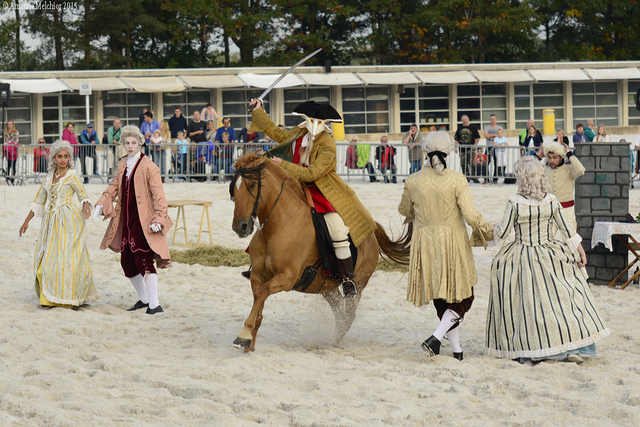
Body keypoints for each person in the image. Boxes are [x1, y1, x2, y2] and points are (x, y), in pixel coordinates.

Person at [485, 157, 610, 365]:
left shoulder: (515, 202)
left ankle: (533, 346)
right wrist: (580, 251)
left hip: (522, 254)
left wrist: (490, 229)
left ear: (522, 179)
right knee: (560, 299)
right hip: (549, 252)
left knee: (527, 302)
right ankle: (569, 344)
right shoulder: (551, 200)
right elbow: (567, 230)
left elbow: (503, 233)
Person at [248, 98, 376, 298]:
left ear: (325, 123)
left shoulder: (328, 145)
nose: (314, 125)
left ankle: (347, 279)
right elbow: (275, 131)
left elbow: (312, 174)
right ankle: (258, 265)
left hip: (323, 190)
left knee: (337, 229)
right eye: (312, 120)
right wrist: (258, 110)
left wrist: (282, 164)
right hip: (295, 186)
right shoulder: (298, 133)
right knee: (269, 214)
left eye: (319, 121)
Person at [398, 131, 492, 360]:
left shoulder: (413, 180)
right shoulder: (457, 179)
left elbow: (404, 210)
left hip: (426, 243)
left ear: (425, 152)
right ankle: (436, 338)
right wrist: (488, 230)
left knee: (442, 298)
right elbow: (470, 214)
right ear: (449, 152)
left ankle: (457, 351)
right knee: (462, 297)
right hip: (452, 242)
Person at [93, 125, 172, 315]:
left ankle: (155, 304)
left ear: (140, 143)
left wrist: (159, 218)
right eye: (127, 143)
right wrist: (101, 204)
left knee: (144, 259)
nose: (130, 146)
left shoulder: (149, 166)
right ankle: (144, 300)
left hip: (143, 221)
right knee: (127, 261)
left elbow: (158, 194)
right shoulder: (122, 164)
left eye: (133, 143)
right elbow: (114, 186)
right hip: (125, 219)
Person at [19, 140, 97, 308]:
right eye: (60, 156)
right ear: (53, 158)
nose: (63, 160)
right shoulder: (49, 178)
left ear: (69, 158)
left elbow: (83, 195)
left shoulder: (72, 175)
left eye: (66, 156)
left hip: (69, 221)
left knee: (67, 259)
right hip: (50, 223)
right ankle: (49, 298)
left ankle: (69, 298)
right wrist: (26, 221)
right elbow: (39, 201)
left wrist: (85, 207)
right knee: (47, 259)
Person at [542, 141, 585, 233]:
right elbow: (528, 171)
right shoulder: (545, 168)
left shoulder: (569, 169)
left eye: (555, 157)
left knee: (571, 241)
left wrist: (570, 154)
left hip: (567, 210)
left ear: (561, 157)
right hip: (549, 210)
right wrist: (539, 155)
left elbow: (581, 170)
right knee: (545, 241)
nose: (551, 160)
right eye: (549, 157)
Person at [454, 115, 480, 181]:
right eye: (463, 120)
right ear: (462, 121)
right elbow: (456, 139)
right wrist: (455, 147)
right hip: (462, 150)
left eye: (465, 119)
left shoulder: (473, 128)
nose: (464, 121)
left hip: (471, 149)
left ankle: (474, 177)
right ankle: (466, 177)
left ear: (468, 120)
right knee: (463, 164)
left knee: (472, 163)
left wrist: (474, 145)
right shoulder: (459, 128)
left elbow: (477, 137)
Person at [484, 114, 503, 183]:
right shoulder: (487, 128)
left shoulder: (499, 128)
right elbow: (485, 135)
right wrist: (495, 135)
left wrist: (490, 137)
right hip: (488, 148)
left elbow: (500, 137)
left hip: (497, 148)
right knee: (485, 163)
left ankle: (495, 179)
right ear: (490, 120)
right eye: (491, 119)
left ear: (496, 120)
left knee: (496, 164)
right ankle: (486, 179)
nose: (492, 120)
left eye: (494, 119)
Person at [3, 119, 19, 185]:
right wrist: (10, 143)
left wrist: (12, 143)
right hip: (8, 150)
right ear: (7, 125)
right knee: (9, 164)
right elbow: (5, 141)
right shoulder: (5, 132)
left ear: (13, 125)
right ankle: (7, 177)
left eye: (11, 124)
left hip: (14, 150)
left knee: (14, 165)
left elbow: (17, 140)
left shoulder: (16, 132)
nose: (10, 125)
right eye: (9, 124)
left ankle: (13, 179)